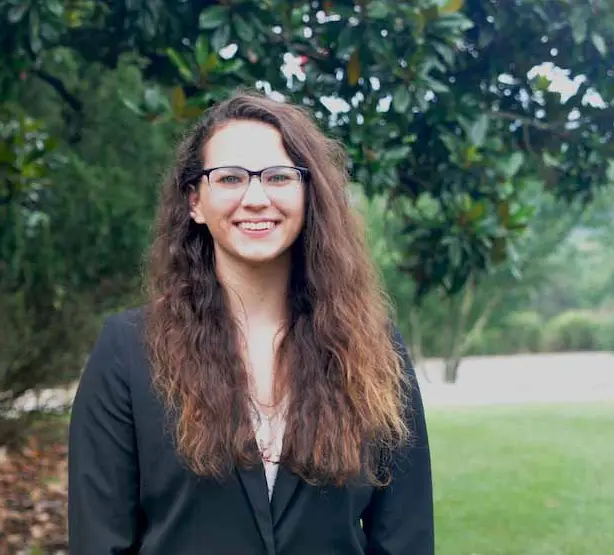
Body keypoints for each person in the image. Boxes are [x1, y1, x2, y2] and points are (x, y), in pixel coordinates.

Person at [67, 90, 433, 555]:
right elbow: (100, 541)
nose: (256, 197)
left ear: (309, 194)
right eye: (230, 178)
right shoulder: (126, 351)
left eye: (279, 177)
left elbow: (405, 539)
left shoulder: (376, 352)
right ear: (195, 202)